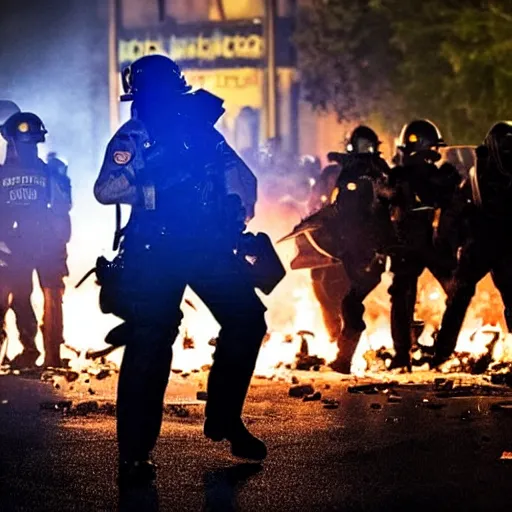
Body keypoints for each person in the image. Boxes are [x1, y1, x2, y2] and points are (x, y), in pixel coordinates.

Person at [94, 55, 283, 486]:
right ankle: (135, 454)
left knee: (247, 320)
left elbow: (242, 178)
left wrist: (233, 212)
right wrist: (157, 185)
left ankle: (224, 420)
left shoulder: (201, 134)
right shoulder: (135, 136)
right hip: (155, 248)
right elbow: (106, 189)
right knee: (151, 340)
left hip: (204, 244)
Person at [284, 126, 394, 373]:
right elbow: (335, 205)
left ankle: (346, 357)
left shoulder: (383, 175)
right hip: (350, 247)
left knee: (353, 302)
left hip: (371, 249)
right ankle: (342, 350)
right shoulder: (341, 173)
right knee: (338, 294)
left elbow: (386, 208)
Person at [431, 122, 512, 366]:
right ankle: (442, 352)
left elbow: (458, 209)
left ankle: (442, 352)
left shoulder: (483, 169)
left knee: (463, 295)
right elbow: (460, 208)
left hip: (490, 242)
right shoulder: (483, 171)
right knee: (461, 295)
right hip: (487, 241)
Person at [386, 120, 461, 370]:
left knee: (402, 296)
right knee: (455, 290)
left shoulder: (401, 176)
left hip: (413, 244)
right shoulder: (440, 176)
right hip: (428, 244)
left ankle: (403, 355)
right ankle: (438, 352)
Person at [0, 112, 71, 369]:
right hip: (25, 244)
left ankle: (46, 355)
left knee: (42, 296)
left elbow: (63, 206)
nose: (28, 148)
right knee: (23, 296)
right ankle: (39, 354)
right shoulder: (49, 172)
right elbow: (64, 206)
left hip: (34, 244)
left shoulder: (48, 172)